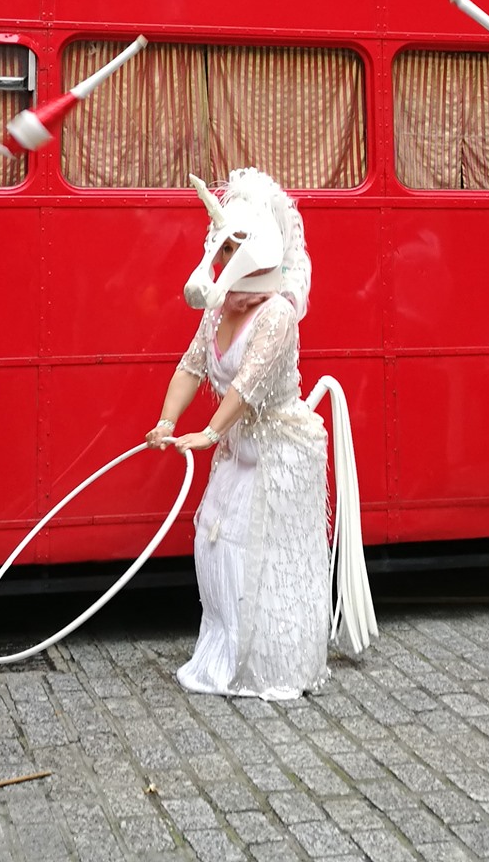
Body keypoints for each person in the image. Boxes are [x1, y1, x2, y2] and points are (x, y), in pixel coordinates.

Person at [146, 169, 335, 699]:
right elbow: (191, 367)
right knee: (216, 542)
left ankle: (271, 666)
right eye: (221, 249)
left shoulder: (276, 315)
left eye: (231, 252)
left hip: (275, 451)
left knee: (260, 555)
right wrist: (167, 422)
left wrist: (208, 432)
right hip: (238, 445)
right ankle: (226, 652)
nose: (221, 262)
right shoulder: (218, 309)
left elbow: (249, 385)